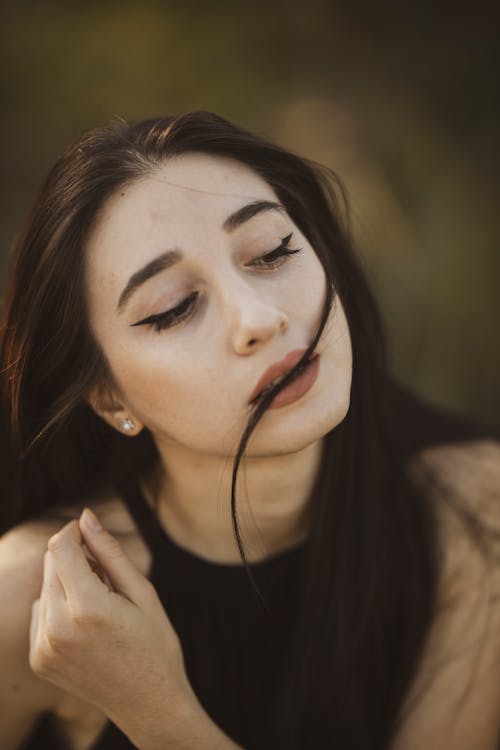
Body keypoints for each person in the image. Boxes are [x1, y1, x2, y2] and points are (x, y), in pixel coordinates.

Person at [0, 111, 499, 750]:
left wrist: (156, 712)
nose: (258, 317)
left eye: (272, 252)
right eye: (172, 308)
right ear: (108, 396)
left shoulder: (472, 508)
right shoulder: (45, 601)